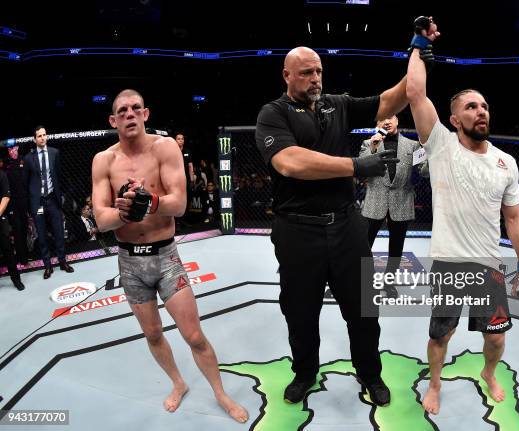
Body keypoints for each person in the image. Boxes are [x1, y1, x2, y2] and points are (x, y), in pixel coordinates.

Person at [255, 46, 421, 407]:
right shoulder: (273, 114)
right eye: (305, 73)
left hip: (346, 225)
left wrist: (419, 53)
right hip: (298, 230)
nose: (315, 78)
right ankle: (304, 372)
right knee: (300, 310)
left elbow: (395, 99)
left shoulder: (337, 103)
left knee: (363, 308)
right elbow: (291, 163)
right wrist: (355, 166)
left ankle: (370, 373)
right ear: (287, 76)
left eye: (318, 71)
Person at [91, 89, 247, 422]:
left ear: (145, 114)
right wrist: (126, 212)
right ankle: (178, 383)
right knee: (152, 333)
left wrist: (150, 201)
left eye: (136, 108)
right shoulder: (103, 160)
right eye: (122, 110)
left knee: (193, 335)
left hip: (166, 257)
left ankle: (221, 394)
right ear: (113, 120)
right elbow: (102, 220)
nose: (130, 114)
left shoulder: (165, 148)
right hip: (130, 263)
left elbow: (179, 203)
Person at [404, 17, 519, 415]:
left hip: (489, 268)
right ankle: (436, 384)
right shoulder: (441, 144)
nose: (481, 112)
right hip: (449, 265)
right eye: (471, 107)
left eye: (484, 106)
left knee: (495, 339)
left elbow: (513, 217)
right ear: (455, 119)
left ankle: (490, 373)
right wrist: (417, 44)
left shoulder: (505, 162)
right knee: (442, 334)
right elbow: (414, 92)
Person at [360, 115, 423, 298]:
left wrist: (427, 151)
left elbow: (424, 172)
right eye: (382, 119)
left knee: (396, 248)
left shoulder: (413, 145)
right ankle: (358, 279)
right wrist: (373, 145)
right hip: (375, 200)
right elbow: (362, 167)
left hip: (402, 200)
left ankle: (389, 284)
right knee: (363, 245)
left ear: (397, 121)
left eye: (391, 117)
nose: (387, 121)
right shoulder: (368, 143)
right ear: (377, 124)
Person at [23, 126, 75, 279]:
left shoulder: (54, 153)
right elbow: (25, 183)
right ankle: (47, 265)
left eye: (44, 135)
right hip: (37, 201)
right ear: (34, 139)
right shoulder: (28, 158)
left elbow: (59, 176)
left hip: (52, 199)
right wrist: (30, 202)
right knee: (42, 234)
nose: (42, 138)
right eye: (39, 136)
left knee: (59, 231)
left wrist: (61, 196)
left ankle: (62, 261)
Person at [0, 167, 26, 290]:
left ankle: (16, 279)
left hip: (0, 218)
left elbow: (5, 197)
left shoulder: (2, 175)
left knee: (7, 250)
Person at [3, 146, 29, 265]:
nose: (12, 151)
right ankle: (21, 258)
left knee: (24, 229)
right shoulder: (5, 163)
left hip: (24, 201)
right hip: (12, 203)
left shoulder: (24, 160)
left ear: (18, 148)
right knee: (17, 229)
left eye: (13, 148)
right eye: (9, 149)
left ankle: (25, 255)